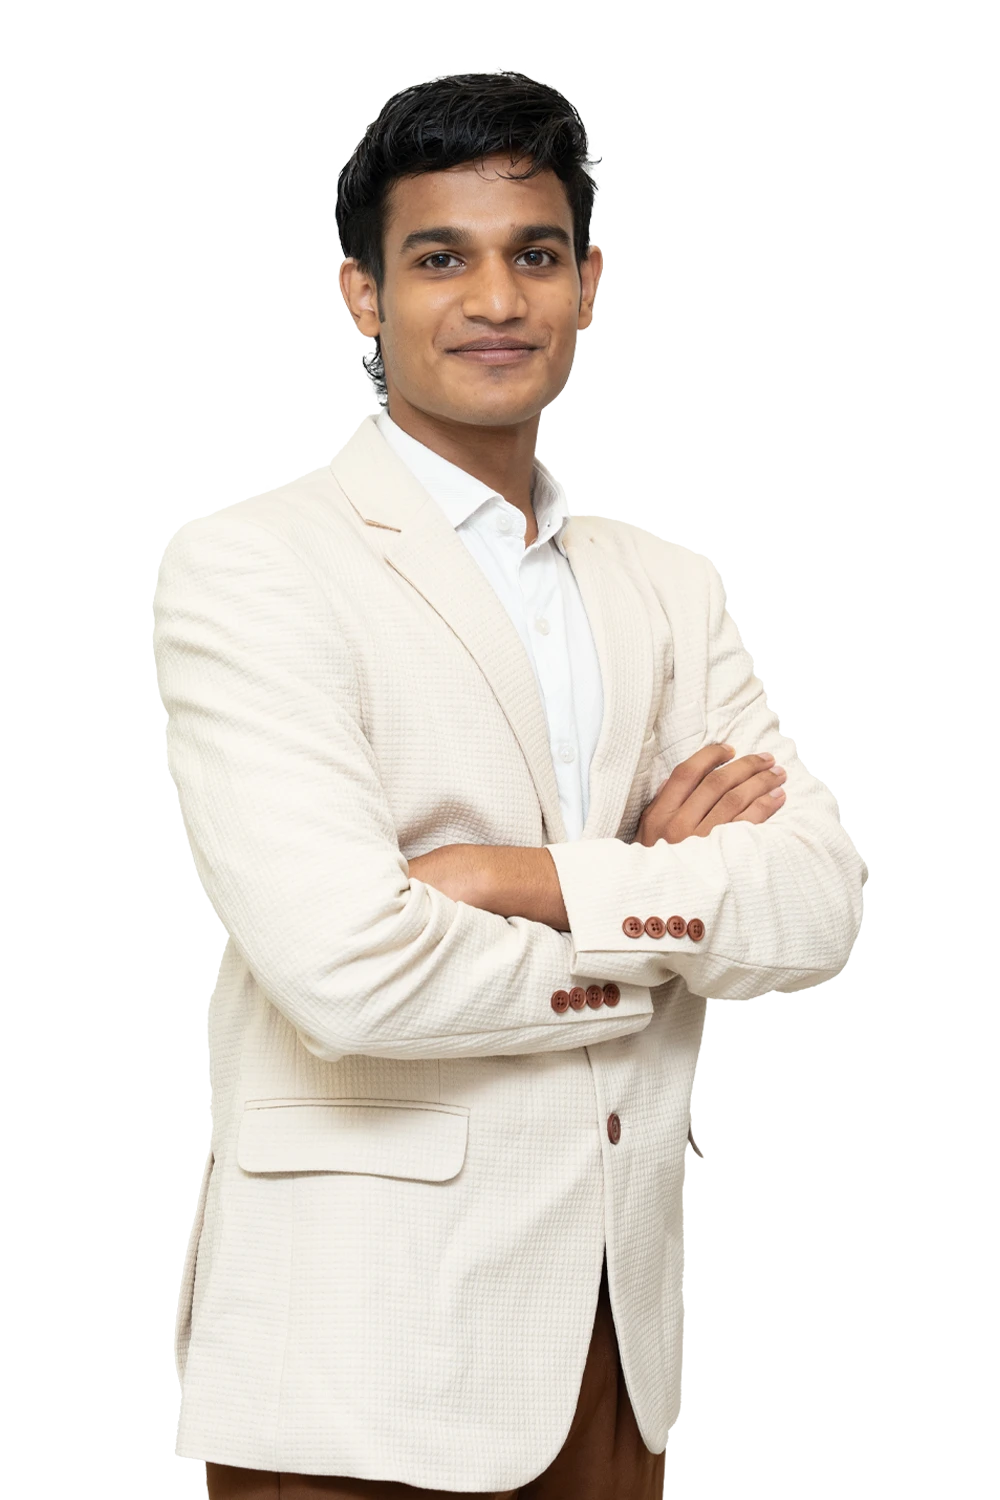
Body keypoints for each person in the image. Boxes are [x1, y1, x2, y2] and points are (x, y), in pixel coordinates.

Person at [153, 68, 865, 1500]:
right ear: (362, 296)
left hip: (615, 1347)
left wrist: (514, 880)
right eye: (441, 259)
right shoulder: (253, 566)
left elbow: (817, 903)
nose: (497, 298)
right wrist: (662, 932)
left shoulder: (665, 587)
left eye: (535, 255)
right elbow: (348, 966)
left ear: (588, 285)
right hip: (357, 1361)